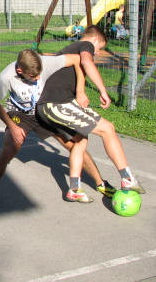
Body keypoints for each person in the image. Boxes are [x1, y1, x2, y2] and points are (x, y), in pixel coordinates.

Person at [0, 48, 115, 209]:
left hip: (44, 109)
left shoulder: (45, 62)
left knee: (76, 144)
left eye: (39, 74)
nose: (38, 78)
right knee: (10, 148)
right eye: (33, 76)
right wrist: (12, 127)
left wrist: (80, 91)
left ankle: (100, 183)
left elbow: (77, 59)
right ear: (20, 71)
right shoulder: (6, 77)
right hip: (20, 114)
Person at [37, 26, 144, 203]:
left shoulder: (69, 49)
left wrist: (80, 91)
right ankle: (127, 178)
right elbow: (87, 61)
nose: (98, 52)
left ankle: (74, 189)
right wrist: (103, 91)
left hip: (53, 105)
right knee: (107, 129)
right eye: (99, 48)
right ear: (94, 40)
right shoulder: (85, 44)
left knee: (80, 140)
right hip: (57, 104)